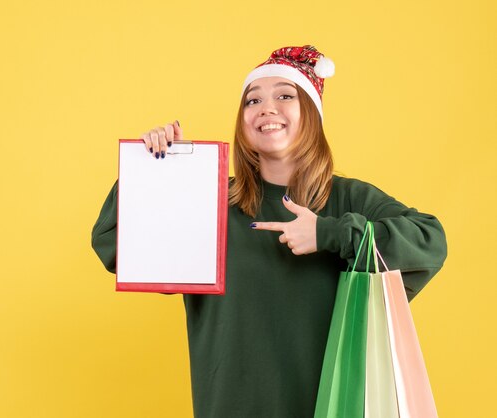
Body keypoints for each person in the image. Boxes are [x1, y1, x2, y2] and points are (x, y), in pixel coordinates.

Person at [91, 45, 447, 418]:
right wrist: (156, 175)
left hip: (335, 407)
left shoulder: (349, 199)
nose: (266, 108)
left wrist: (331, 234)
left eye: (285, 95)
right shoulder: (208, 200)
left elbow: (430, 241)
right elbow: (114, 245)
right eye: (252, 100)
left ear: (311, 113)